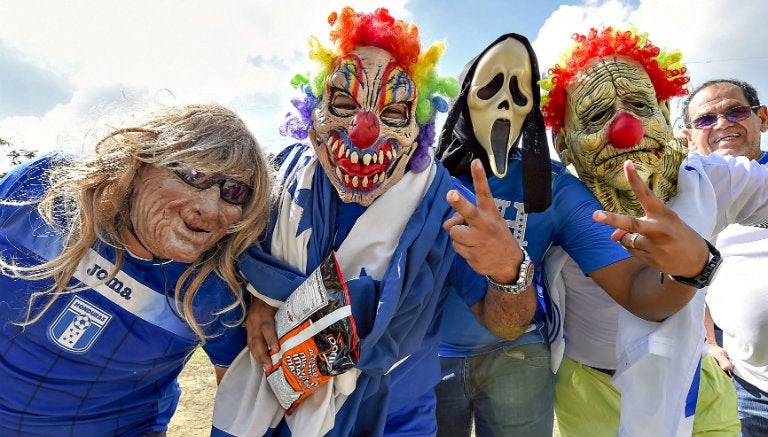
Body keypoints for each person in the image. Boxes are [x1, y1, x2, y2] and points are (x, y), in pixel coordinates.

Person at [433, 32, 728, 437]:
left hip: (517, 357)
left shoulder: (555, 188)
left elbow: (641, 295)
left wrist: (692, 267)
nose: (505, 103)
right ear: (465, 96)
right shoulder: (421, 178)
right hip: (425, 358)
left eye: (520, 93)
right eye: (490, 88)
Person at [210, 7, 466, 437]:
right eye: (343, 103)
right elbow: (226, 255)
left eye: (394, 111)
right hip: (276, 405)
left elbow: (507, 320)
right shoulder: (272, 176)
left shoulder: (452, 204)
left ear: (420, 126)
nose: (363, 130)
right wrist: (261, 296)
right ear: (312, 112)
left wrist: (509, 272)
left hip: (397, 417)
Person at [540, 27, 768, 436]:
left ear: (664, 115)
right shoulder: (559, 198)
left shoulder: (707, 179)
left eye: (640, 105)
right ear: (564, 143)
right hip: (592, 390)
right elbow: (643, 297)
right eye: (595, 116)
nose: (625, 128)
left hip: (693, 377)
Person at [0, 103, 274, 437]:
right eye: (196, 175)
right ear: (139, 161)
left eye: (235, 192)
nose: (211, 208)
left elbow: (239, 396)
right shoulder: (42, 189)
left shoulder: (215, 289)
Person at [682, 79, 768, 437]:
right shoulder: (689, 198)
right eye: (705, 119)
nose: (721, 124)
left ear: (762, 118)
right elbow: (689, 274)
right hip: (751, 389)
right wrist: (710, 342)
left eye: (735, 111)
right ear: (689, 138)